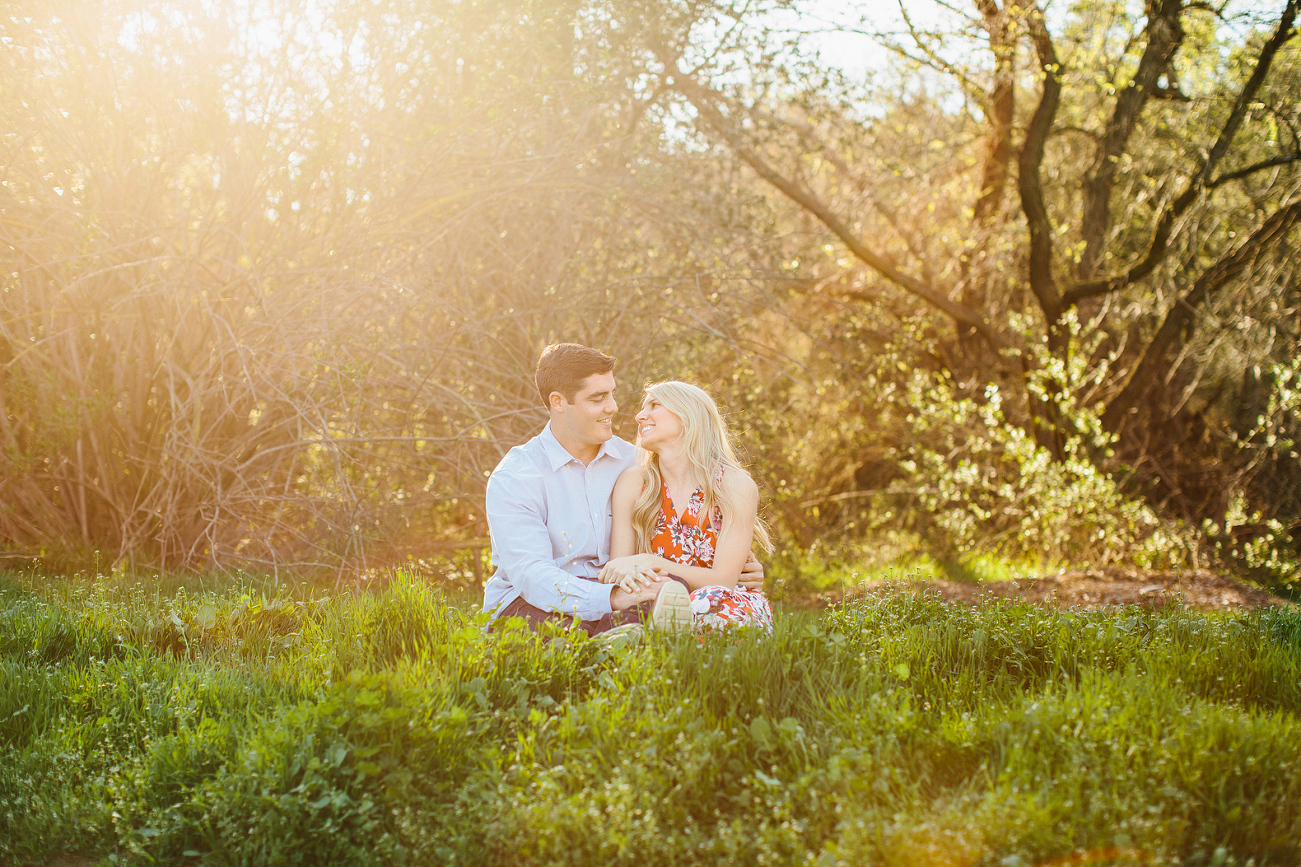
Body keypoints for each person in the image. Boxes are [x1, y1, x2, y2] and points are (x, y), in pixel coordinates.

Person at [482, 344, 763, 635]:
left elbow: (700, 541)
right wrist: (612, 598)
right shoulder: (517, 475)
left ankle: (611, 643)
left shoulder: (639, 465)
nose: (613, 407)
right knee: (556, 635)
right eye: (598, 398)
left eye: (612, 393)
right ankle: (600, 645)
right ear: (559, 401)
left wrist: (739, 574)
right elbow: (532, 577)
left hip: (623, 594)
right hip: (536, 602)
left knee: (670, 588)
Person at [599, 381, 775, 632]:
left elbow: (723, 580)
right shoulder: (634, 482)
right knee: (637, 615)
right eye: (642, 407)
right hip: (654, 597)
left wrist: (648, 561)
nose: (640, 416)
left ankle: (675, 636)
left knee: (714, 607)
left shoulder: (733, 485)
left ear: (688, 416)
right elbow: (623, 570)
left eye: (655, 405)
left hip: (721, 601)